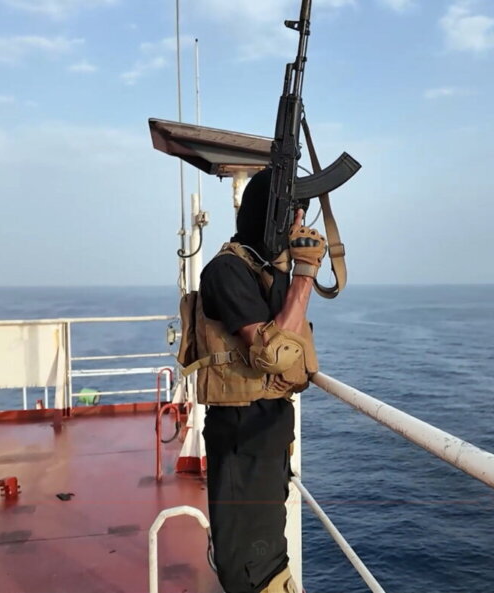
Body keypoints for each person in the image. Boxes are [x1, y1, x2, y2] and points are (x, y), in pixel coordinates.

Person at [193, 168, 326, 593]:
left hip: (265, 430)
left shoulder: (263, 270)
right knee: (250, 562)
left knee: (266, 542)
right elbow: (273, 354)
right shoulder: (226, 271)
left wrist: (289, 270)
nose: (298, 228)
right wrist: (304, 272)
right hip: (242, 433)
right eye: (292, 217)